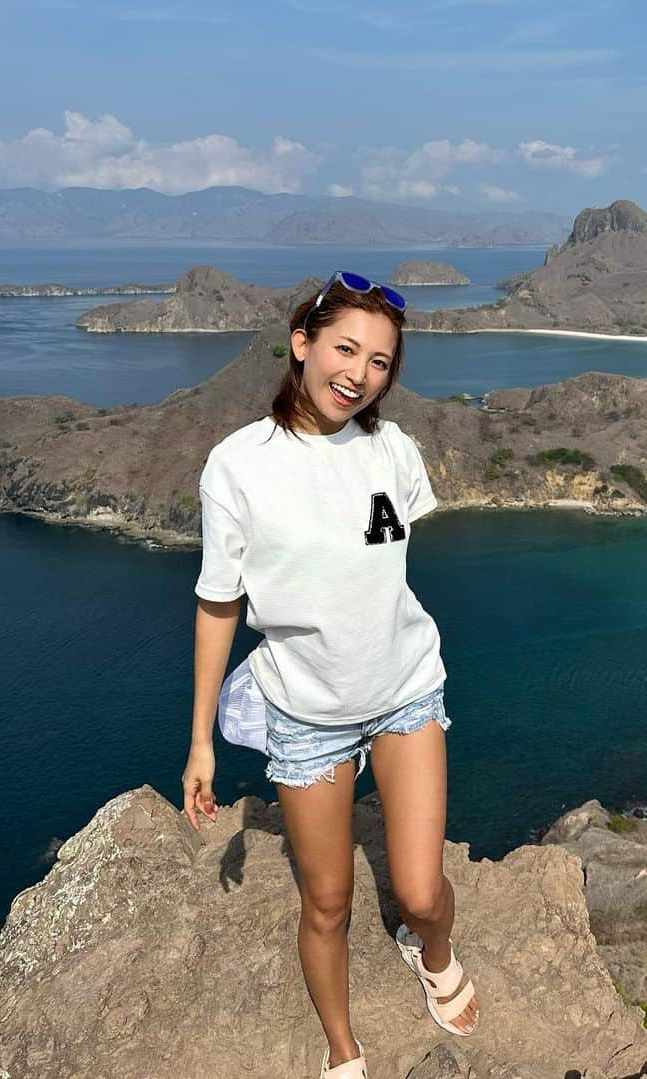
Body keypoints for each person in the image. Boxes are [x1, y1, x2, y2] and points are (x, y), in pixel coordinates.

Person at [180, 271, 479, 1078]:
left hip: (406, 689)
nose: (360, 372)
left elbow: (383, 569)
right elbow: (218, 605)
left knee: (419, 891)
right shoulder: (238, 466)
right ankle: (342, 1045)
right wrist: (200, 740)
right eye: (346, 348)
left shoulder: (394, 450)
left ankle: (433, 949)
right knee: (329, 901)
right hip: (307, 715)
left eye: (381, 360)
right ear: (301, 344)